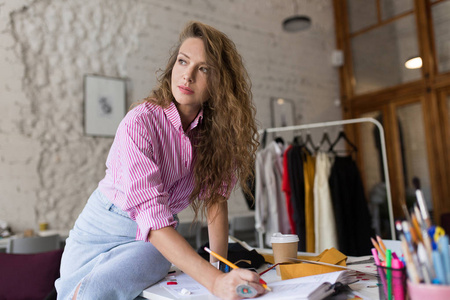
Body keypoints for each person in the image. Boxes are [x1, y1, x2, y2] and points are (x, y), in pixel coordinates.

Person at [55, 21, 262, 300]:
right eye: (182, 61)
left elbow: (215, 201)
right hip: (103, 231)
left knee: (158, 258)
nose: (187, 75)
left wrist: (221, 272)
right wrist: (214, 282)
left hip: (153, 241)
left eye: (203, 69)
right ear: (172, 66)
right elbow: (152, 220)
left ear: (219, 83)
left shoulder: (215, 136)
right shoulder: (140, 123)